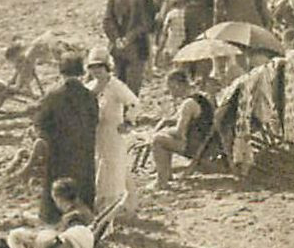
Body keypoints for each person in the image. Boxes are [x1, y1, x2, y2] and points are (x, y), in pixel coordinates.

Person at [32, 53, 100, 222]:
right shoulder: (89, 95)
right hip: (84, 150)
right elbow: (94, 121)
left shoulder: (54, 95)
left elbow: (40, 122)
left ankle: (53, 218)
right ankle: (84, 218)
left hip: (59, 151)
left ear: (61, 72)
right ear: (81, 72)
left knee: (58, 187)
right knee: (83, 185)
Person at [85, 45, 139, 211]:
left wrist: (128, 122)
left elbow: (133, 103)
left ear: (107, 67)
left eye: (100, 67)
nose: (97, 71)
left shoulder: (116, 86)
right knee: (101, 167)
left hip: (114, 131)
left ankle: (124, 205)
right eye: (93, 67)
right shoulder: (90, 86)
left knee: (116, 166)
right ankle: (104, 204)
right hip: (98, 132)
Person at [149, 69, 216, 188]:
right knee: (164, 137)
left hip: (196, 147)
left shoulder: (188, 104)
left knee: (158, 140)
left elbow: (180, 133)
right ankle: (167, 174)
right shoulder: (200, 97)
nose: (170, 93)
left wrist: (164, 131)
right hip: (207, 143)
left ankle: (161, 181)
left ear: (178, 85)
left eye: (171, 88)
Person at [102, 0, 158, 92]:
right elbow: (145, 27)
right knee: (132, 89)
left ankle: (119, 112)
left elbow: (107, 21)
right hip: (137, 48)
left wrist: (117, 39)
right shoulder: (145, 0)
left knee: (118, 84)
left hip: (117, 48)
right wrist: (128, 39)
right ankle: (129, 111)